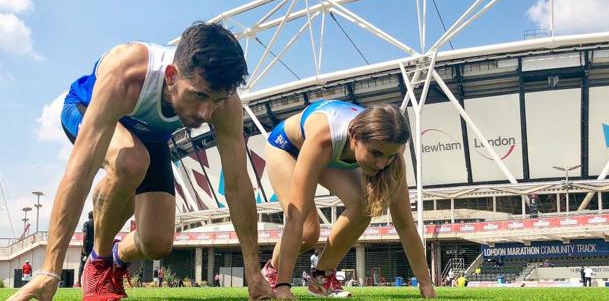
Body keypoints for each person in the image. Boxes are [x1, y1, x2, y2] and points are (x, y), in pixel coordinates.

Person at [7, 23, 273, 301]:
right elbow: (79, 171)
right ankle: (98, 264)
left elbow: (238, 185)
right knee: (131, 161)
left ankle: (118, 254)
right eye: (199, 96)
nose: (207, 113)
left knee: (157, 243)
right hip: (85, 111)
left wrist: (254, 277)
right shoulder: (127, 73)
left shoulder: (226, 104)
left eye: (216, 101)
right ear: (171, 76)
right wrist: (49, 271)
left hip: (150, 137)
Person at [259, 100, 436, 299]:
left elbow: (404, 222)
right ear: (354, 137)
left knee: (363, 206)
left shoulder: (392, 151)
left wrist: (426, 284)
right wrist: (283, 287)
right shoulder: (323, 138)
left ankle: (321, 279)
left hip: (329, 152)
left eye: (389, 156)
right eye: (375, 153)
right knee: (308, 232)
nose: (381, 164)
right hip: (288, 148)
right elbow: (295, 217)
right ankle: (272, 276)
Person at [75, 211, 94, 287]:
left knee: (82, 264)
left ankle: (79, 282)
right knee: (92, 264)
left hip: (86, 247)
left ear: (88, 217)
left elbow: (85, 235)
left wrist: (83, 247)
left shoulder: (86, 224)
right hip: (93, 247)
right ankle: (91, 283)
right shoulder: (96, 225)